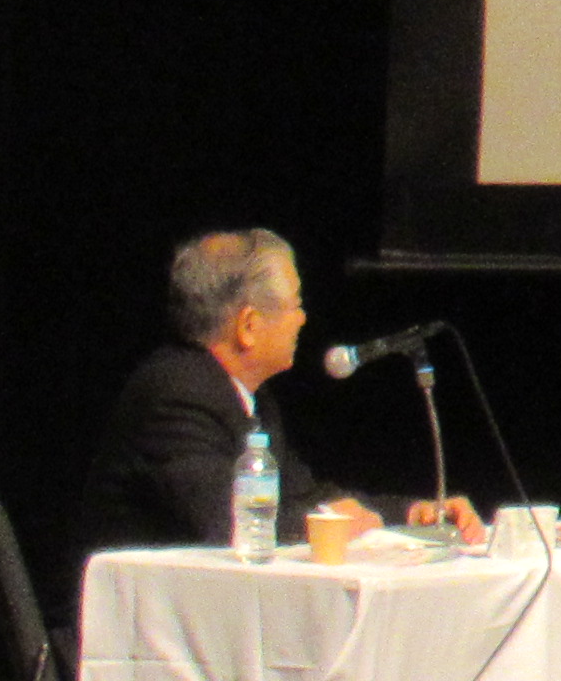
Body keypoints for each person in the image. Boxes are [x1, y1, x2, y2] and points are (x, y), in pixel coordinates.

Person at [80, 228, 367, 554]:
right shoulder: (178, 394)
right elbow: (231, 522)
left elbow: (303, 495)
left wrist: (405, 512)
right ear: (248, 326)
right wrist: (331, 523)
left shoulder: (252, 397)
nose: (302, 319)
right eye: (295, 305)